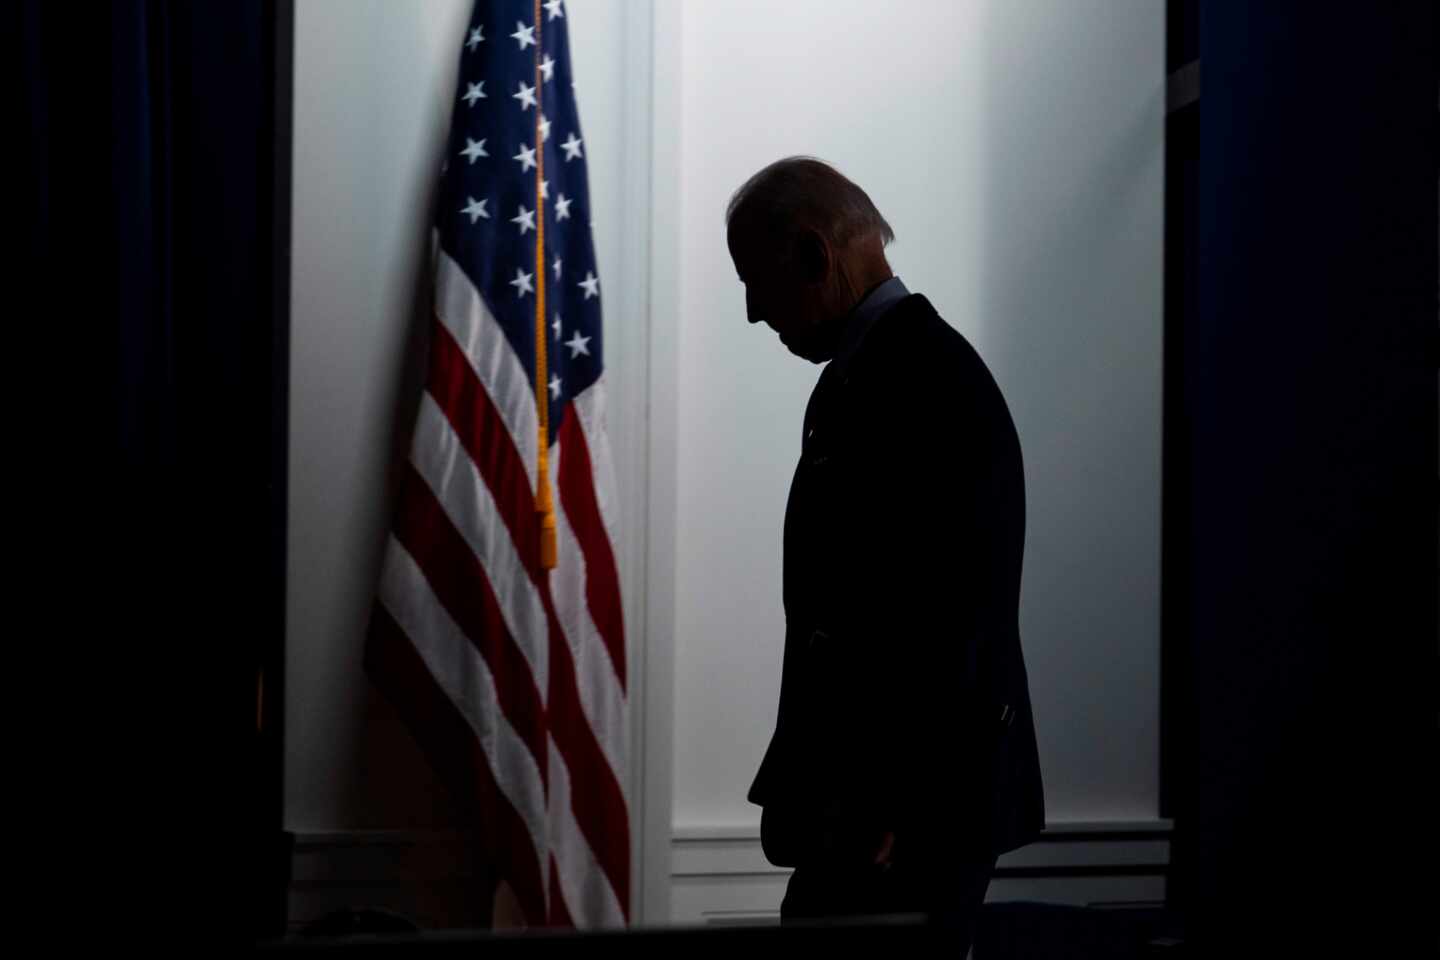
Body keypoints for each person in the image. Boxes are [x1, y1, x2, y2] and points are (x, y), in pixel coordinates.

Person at [728, 157, 1045, 948]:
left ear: (812, 255)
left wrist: (899, 797)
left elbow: (954, 607)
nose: (751, 313)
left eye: (754, 281)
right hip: (879, 808)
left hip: (900, 819)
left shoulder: (921, 379)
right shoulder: (894, 369)